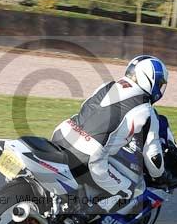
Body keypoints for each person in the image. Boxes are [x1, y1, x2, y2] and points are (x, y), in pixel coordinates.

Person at [52, 55, 169, 213]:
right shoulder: (147, 111)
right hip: (89, 156)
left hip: (62, 133)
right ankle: (81, 220)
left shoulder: (107, 86)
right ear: (151, 80)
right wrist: (160, 176)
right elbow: (153, 156)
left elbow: (86, 109)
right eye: (160, 84)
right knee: (131, 192)